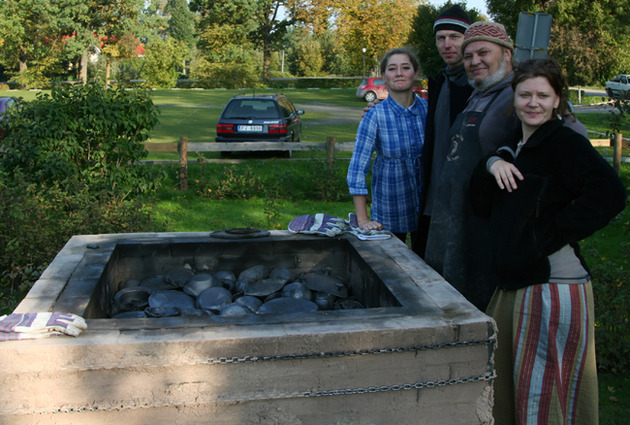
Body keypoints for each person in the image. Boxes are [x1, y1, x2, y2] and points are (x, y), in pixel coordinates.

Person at [470, 58, 626, 425]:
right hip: (517, 282)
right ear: (514, 97)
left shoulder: (564, 143)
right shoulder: (516, 145)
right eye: (525, 94)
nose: (533, 102)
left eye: (543, 95)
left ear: (558, 100)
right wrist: (490, 164)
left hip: (552, 285)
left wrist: (545, 237)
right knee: (514, 383)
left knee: (541, 386)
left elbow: (610, 194)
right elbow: (480, 205)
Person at [424, 21, 520, 311]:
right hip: (453, 222)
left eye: (483, 53)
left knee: (480, 310)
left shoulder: (519, 96)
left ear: (506, 54)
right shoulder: (477, 95)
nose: (474, 61)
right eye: (468, 56)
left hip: (484, 229)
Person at [347, 47, 428, 247]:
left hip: (427, 210)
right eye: (392, 69)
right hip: (390, 208)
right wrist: (363, 219)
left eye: (405, 67)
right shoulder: (375, 115)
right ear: (384, 76)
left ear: (415, 73)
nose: (399, 73)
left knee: (427, 269)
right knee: (392, 269)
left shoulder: (430, 110)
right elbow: (358, 168)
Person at [417, 4, 473, 258]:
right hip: (433, 195)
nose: (447, 44)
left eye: (455, 37)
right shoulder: (441, 80)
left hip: (464, 201)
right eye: (441, 38)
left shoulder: (477, 86)